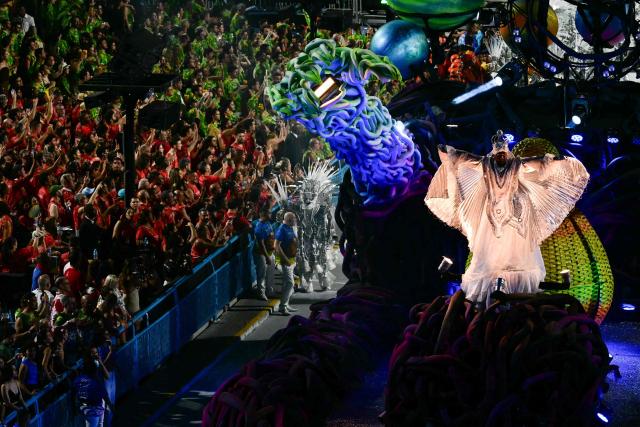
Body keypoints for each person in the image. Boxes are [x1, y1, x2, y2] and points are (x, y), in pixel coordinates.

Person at [425, 131, 589, 305]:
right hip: (490, 217)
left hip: (515, 216)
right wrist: (450, 153)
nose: (501, 157)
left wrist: (554, 162)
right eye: (498, 154)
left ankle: (515, 295)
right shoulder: (485, 164)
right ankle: (490, 297)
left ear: (507, 153)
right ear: (494, 153)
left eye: (503, 153)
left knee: (517, 252)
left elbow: (539, 164)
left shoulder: (517, 165)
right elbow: (464, 158)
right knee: (489, 255)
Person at [72, 352, 111, 427]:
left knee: (100, 423)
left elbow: (73, 393)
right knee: (99, 424)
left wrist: (74, 407)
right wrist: (111, 407)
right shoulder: (95, 383)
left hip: (86, 407)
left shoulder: (78, 379)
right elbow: (105, 396)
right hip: (92, 409)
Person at [274, 212, 299, 315]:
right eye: (294, 219)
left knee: (286, 284)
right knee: (290, 283)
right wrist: (285, 259)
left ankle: (285, 305)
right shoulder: (282, 229)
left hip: (291, 260)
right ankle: (282, 307)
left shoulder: (290, 228)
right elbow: (276, 245)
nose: (295, 221)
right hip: (285, 262)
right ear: (289, 219)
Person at [253, 208, 275, 300]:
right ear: (264, 214)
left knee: (270, 272)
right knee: (262, 273)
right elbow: (261, 243)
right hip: (261, 253)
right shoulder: (259, 226)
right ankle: (261, 292)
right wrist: (266, 256)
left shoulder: (268, 223)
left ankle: (269, 290)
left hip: (270, 252)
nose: (271, 215)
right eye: (269, 213)